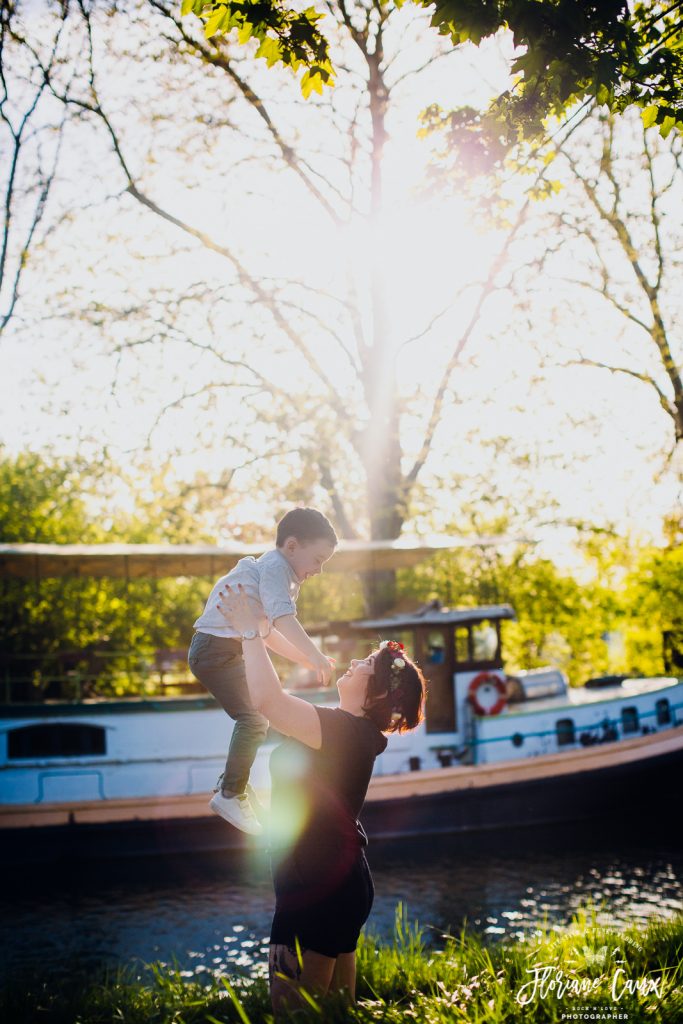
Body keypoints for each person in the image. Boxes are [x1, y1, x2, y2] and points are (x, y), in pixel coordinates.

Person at [217, 582, 426, 1015]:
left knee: (294, 1016)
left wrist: (249, 633)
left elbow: (269, 700)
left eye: (366, 663)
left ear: (379, 694)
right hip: (336, 879)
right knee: (338, 1012)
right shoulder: (349, 732)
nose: (353, 661)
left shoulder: (341, 732)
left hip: (316, 885)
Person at [188, 508, 338, 835]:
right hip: (215, 652)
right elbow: (283, 619)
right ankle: (230, 792)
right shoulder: (275, 568)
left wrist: (307, 660)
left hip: (220, 650)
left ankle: (232, 784)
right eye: (318, 559)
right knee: (255, 719)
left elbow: (267, 633)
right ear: (293, 546)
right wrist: (314, 652)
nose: (320, 570)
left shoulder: (273, 573)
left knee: (260, 715)